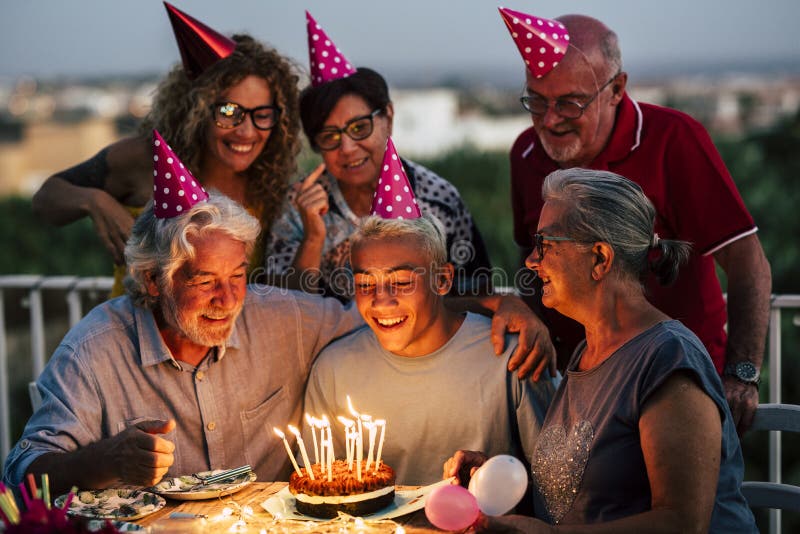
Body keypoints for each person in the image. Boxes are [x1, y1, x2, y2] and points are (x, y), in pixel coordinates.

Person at [498, 8, 771, 435]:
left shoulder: (674, 139)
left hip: (674, 384)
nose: (549, 120)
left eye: (570, 102)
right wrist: (532, 317)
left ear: (617, 89)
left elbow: (746, 259)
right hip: (575, 385)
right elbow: (529, 253)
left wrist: (741, 375)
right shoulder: (525, 154)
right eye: (537, 100)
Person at [445, 168, 758, 532]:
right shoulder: (588, 352)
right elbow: (586, 496)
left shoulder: (668, 358)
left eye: (545, 244)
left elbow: (682, 523)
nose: (532, 261)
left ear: (599, 259)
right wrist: (493, 478)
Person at [32, 4, 301, 295]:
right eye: (228, 111)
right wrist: (93, 200)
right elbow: (45, 200)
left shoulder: (266, 182)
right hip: (134, 336)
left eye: (262, 114)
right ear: (195, 110)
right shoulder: (146, 161)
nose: (246, 130)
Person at [304, 213, 555, 485]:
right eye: (365, 284)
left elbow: (559, 484)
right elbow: (318, 488)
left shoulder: (513, 355)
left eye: (401, 282)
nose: (381, 301)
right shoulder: (334, 369)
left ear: (443, 280)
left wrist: (497, 479)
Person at [265, 12, 492, 300]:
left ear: (388, 117)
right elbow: (281, 308)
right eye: (330, 136)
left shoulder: (439, 201)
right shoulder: (297, 207)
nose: (347, 148)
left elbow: (477, 296)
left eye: (360, 127)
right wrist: (313, 237)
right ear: (316, 144)